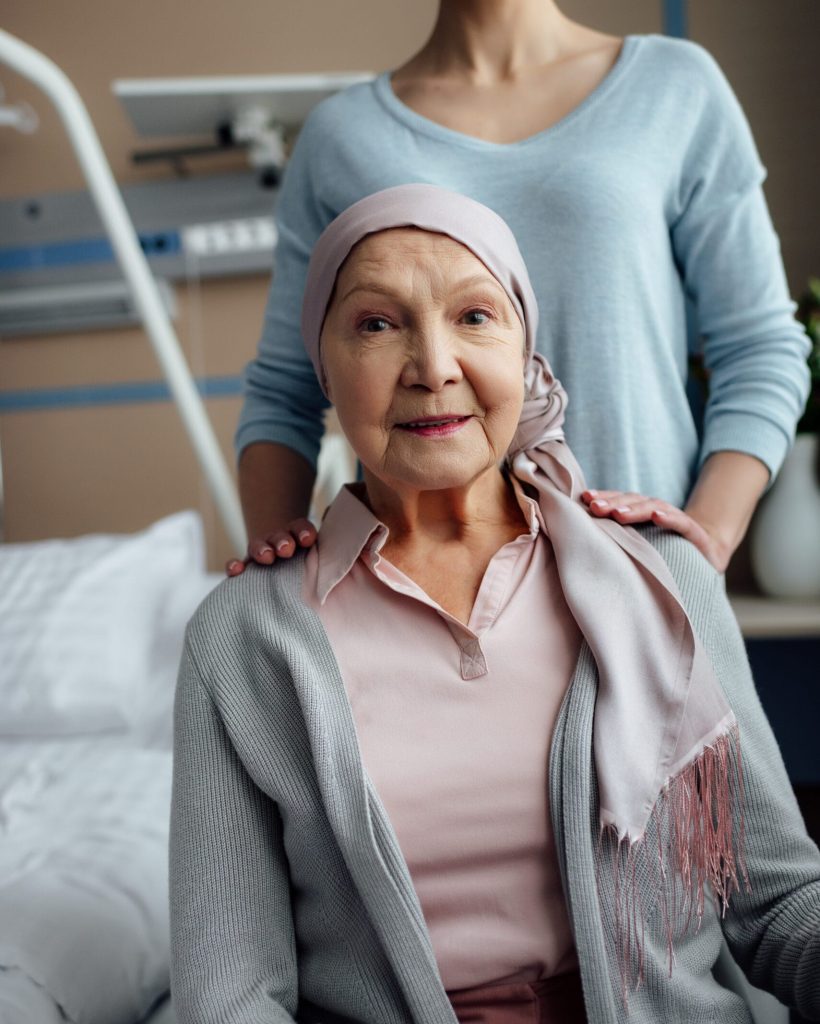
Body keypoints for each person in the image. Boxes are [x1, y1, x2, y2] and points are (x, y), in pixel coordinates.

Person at [171, 186, 820, 1024]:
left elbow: (778, 905)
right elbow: (231, 997)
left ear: (525, 353)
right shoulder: (242, 640)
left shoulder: (662, 582)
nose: (434, 365)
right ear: (324, 370)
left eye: (475, 317)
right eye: (377, 323)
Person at [228, 0, 810, 578]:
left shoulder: (675, 87)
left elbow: (759, 346)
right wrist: (277, 591)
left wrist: (705, 541)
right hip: (420, 604)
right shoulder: (341, 136)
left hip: (646, 580)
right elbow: (286, 390)